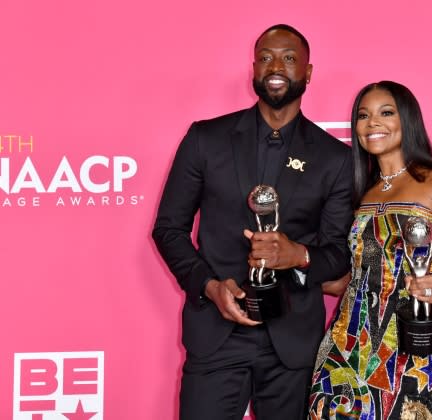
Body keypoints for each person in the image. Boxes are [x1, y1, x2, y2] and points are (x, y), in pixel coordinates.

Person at [152, 24, 353, 420]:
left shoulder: (335, 159)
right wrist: (210, 287)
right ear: (254, 69)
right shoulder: (205, 139)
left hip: (293, 343)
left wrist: (298, 255)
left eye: (289, 58)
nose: (275, 65)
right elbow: (169, 229)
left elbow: (337, 255)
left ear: (308, 73)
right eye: (265, 57)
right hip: (216, 334)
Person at [309, 81, 432, 419]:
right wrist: (306, 273)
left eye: (385, 113)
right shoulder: (361, 190)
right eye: (363, 116)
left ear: (407, 119)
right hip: (348, 341)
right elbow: (364, 267)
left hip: (410, 338)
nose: (372, 123)